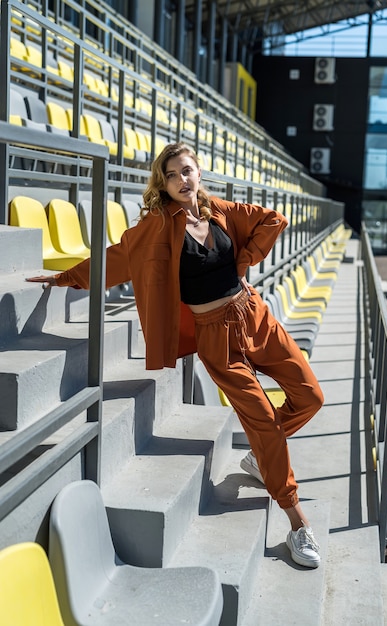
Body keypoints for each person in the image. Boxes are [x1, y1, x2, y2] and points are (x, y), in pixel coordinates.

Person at [27, 142, 324, 568]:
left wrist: (243, 261)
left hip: (256, 317)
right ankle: (297, 523)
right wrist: (65, 277)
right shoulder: (157, 226)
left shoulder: (218, 210)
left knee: (311, 397)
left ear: (198, 173)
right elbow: (116, 258)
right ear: (162, 184)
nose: (182, 179)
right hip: (215, 339)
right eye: (172, 175)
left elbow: (271, 220)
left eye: (187, 170)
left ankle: (264, 455)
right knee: (262, 420)